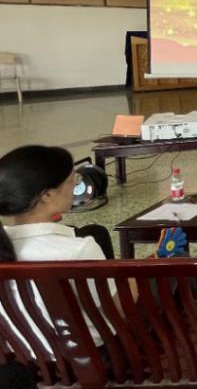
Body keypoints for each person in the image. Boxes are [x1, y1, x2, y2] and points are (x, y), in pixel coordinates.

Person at [0, 145, 116, 358]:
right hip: (94, 360)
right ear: (48, 194)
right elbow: (117, 312)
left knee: (95, 231)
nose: (75, 186)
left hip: (30, 360)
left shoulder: (5, 246)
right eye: (72, 181)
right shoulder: (78, 250)